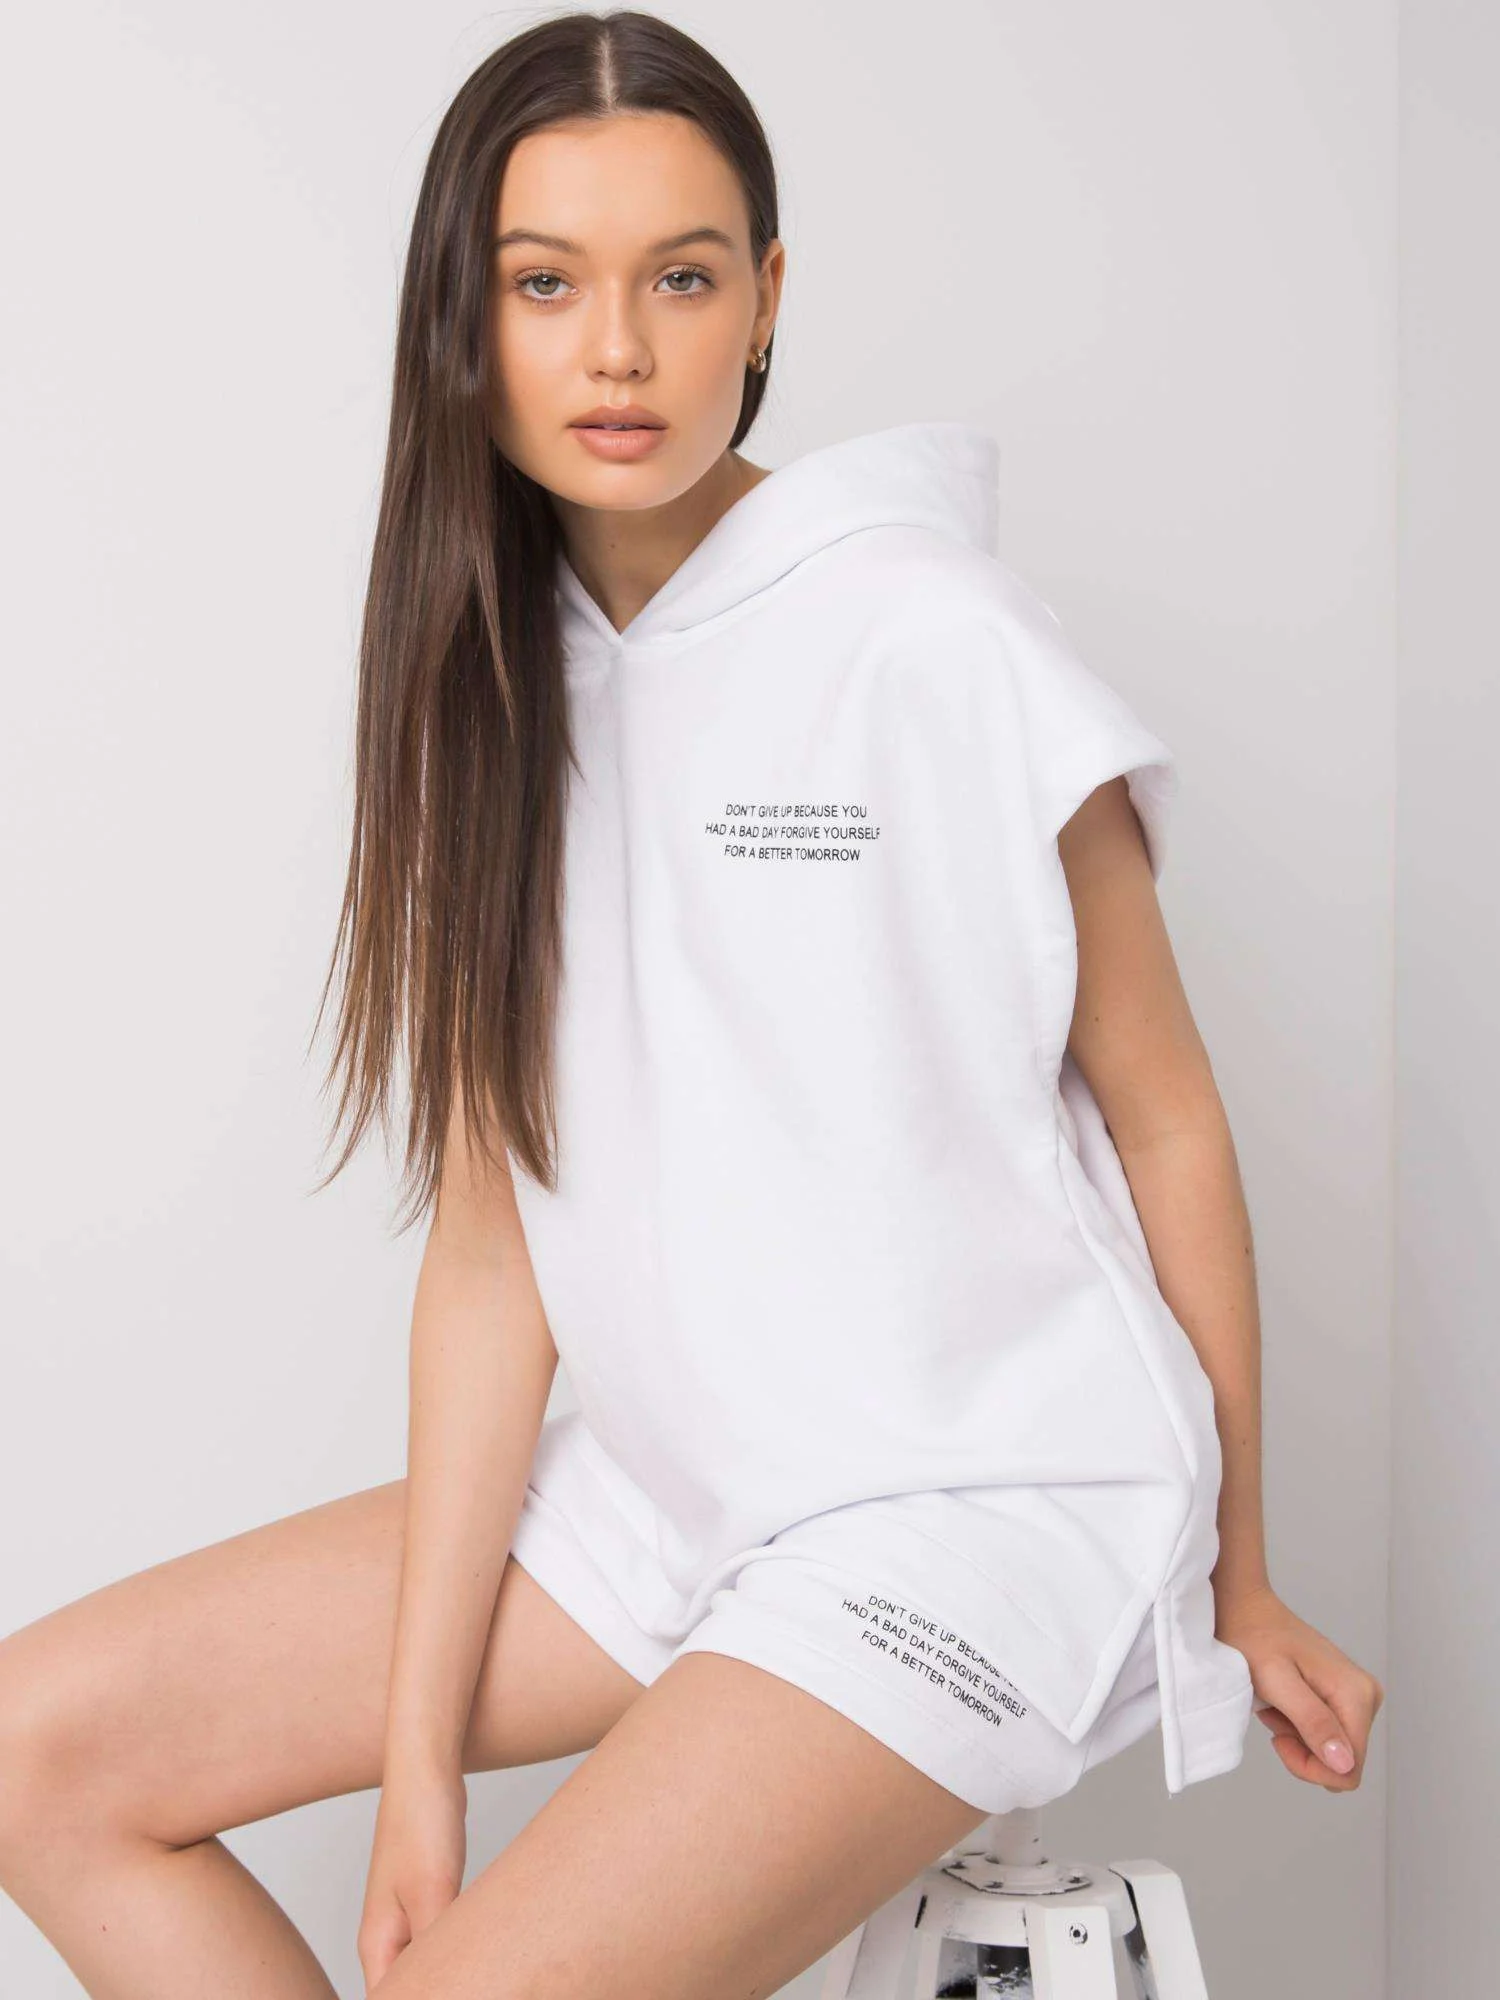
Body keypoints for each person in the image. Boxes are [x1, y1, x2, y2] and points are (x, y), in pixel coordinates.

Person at [0, 10, 1384, 1997]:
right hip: (679, 1483)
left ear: (768, 301)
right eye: (544, 284)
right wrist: (413, 1771)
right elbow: (494, 1257)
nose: (618, 354)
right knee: (40, 1750)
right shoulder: (500, 692)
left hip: (976, 1501)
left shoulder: (933, 635)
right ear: (463, 316)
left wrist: (1238, 1575)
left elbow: (1167, 1116)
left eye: (681, 277)